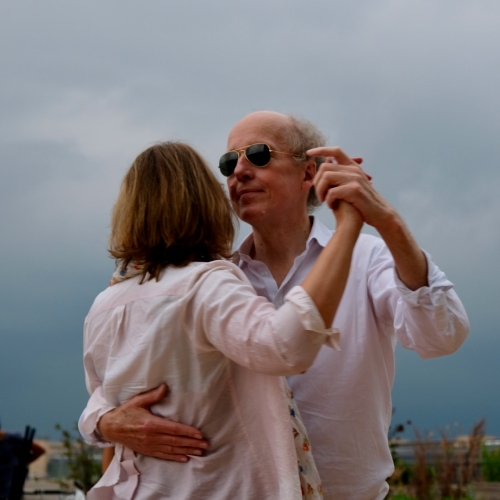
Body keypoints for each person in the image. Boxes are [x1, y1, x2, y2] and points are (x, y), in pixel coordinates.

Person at [80, 113, 469, 500]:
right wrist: (105, 421)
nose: (239, 171)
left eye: (258, 154)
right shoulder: (210, 282)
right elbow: (124, 375)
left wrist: (387, 221)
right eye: (229, 163)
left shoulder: (367, 258)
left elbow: (442, 335)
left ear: (308, 173)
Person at [81, 141, 364, 499]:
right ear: (205, 202)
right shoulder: (205, 284)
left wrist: (100, 422)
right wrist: (349, 227)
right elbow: (284, 346)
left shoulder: (103, 306)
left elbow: (101, 400)